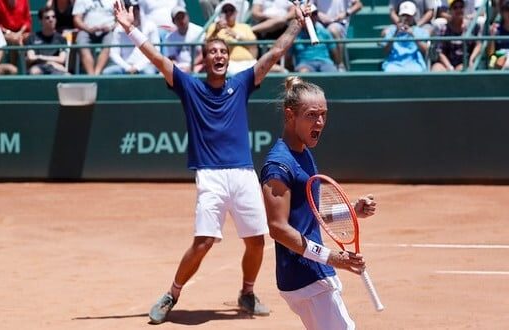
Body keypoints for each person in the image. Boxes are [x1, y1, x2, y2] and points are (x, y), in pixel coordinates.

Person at [113, 0, 310, 324]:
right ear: (204, 59)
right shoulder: (190, 87)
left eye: (223, 52)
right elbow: (157, 57)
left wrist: (297, 23)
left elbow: (274, 54)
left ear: (227, 59)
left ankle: (247, 292)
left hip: (244, 175)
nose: (219, 56)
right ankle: (172, 294)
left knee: (257, 242)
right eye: (213, 52)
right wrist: (130, 28)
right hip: (211, 177)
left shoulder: (242, 83)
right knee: (204, 242)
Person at [260, 76, 377, 330]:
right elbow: (278, 229)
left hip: (315, 273)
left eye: (323, 114)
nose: (320, 122)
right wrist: (332, 257)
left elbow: (310, 212)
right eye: (312, 115)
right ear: (290, 116)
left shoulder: (302, 152)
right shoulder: (279, 165)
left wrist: (351, 211)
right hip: (305, 277)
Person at [103, 0, 158, 75]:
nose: (132, 12)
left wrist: (137, 67)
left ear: (139, 9)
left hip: (144, 66)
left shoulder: (151, 26)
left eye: (135, 8)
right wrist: (127, 67)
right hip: (124, 67)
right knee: (107, 73)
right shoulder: (118, 29)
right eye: (128, 9)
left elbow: (156, 51)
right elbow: (114, 53)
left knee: (149, 72)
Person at [206, 0, 258, 74]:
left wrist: (236, 36)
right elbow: (206, 46)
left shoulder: (245, 27)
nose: (228, 13)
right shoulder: (214, 27)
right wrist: (216, 31)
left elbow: (253, 46)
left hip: (250, 62)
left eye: (231, 10)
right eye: (225, 11)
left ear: (236, 12)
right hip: (229, 64)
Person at [431, 0, 481, 71]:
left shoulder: (472, 27)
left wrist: (471, 59)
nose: (459, 10)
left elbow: (478, 44)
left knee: (462, 69)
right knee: (436, 68)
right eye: (455, 8)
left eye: (461, 7)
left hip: (464, 63)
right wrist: (449, 67)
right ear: (450, 11)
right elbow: (440, 51)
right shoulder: (443, 29)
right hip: (446, 63)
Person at [314, 0, 363, 72]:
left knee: (332, 29)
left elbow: (358, 5)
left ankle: (340, 64)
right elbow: (308, 6)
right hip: (319, 23)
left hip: (339, 24)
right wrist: (318, 14)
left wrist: (345, 13)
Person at [381, 1, 430, 72]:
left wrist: (413, 35)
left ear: (413, 16)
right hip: (394, 63)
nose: (406, 18)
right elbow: (385, 51)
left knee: (417, 71)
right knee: (389, 70)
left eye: (408, 15)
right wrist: (395, 34)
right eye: (403, 15)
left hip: (414, 63)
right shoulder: (391, 30)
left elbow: (426, 50)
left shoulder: (420, 31)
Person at [72, 0, 116, 74]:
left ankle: (97, 74)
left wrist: (110, 27)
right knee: (81, 42)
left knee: (110, 43)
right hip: (87, 30)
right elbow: (76, 19)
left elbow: (120, 19)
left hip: (108, 30)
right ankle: (91, 75)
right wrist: (88, 29)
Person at [290, 4, 337, 73]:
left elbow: (334, 51)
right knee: (303, 72)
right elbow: (288, 58)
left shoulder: (324, 32)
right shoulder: (295, 35)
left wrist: (337, 63)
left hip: (325, 62)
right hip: (305, 64)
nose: (312, 17)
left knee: (332, 72)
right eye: (308, 15)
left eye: (314, 14)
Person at [25, 6, 69, 75]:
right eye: (47, 18)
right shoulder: (32, 38)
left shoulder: (61, 39)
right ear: (41, 21)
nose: (51, 20)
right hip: (38, 66)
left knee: (67, 75)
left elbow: (61, 59)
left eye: (53, 17)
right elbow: (31, 57)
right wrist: (49, 62)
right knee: (34, 72)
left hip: (55, 67)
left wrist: (41, 57)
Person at [164, 6, 205, 73]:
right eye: (178, 18)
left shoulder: (199, 31)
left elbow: (203, 54)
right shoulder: (169, 37)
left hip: (197, 65)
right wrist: (176, 67)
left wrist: (191, 66)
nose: (181, 20)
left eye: (183, 17)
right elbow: (171, 57)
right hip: (179, 67)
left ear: (188, 17)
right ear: (173, 21)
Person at [487, 0, 509, 69]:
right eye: (507, 10)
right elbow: (491, 54)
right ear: (502, 12)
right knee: (493, 63)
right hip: (499, 56)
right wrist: (492, 37)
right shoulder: (496, 30)